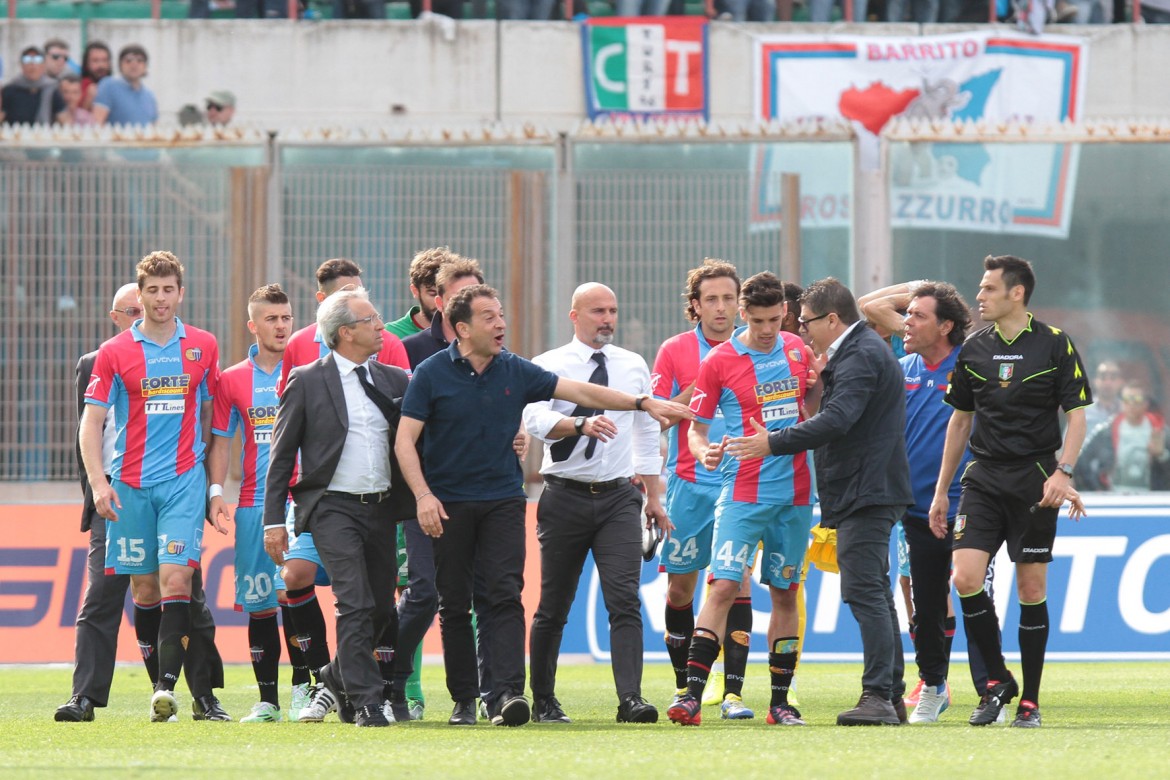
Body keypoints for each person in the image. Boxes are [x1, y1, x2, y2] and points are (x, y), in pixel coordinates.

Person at [394, 284, 691, 727]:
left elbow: (583, 392)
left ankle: (508, 695)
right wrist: (423, 496)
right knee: (455, 604)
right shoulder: (432, 373)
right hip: (451, 503)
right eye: (490, 317)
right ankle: (464, 700)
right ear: (462, 328)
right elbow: (405, 441)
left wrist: (641, 402)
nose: (501, 324)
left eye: (501, 315)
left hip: (504, 501)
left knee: (505, 596)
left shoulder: (514, 368)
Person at [726, 277, 913, 726]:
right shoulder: (860, 351)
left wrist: (772, 442)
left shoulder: (860, 354)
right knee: (874, 593)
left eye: (806, 321)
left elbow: (837, 420)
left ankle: (878, 698)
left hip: (866, 489)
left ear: (833, 319)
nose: (802, 329)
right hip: (868, 486)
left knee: (865, 591)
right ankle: (891, 694)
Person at [929, 254, 1090, 729]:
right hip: (983, 478)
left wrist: (1064, 473)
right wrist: (942, 491)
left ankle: (1030, 702)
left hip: (1036, 483)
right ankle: (998, 679)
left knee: (1031, 587)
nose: (979, 296)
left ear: (1016, 293)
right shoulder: (974, 350)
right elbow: (960, 420)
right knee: (964, 577)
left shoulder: (1055, 345)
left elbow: (1077, 416)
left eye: (988, 289)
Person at [55, 283, 224, 723]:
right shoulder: (98, 361)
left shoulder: (195, 350)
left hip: (175, 489)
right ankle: (85, 697)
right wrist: (95, 490)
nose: (145, 311)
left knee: (188, 594)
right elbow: (86, 431)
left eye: (151, 301)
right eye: (133, 307)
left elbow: (207, 416)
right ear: (117, 316)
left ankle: (205, 698)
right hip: (115, 494)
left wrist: (204, 486)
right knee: (103, 600)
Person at [666, 272, 816, 728]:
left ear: (785, 314)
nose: (768, 329)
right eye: (758, 320)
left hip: (795, 493)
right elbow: (695, 427)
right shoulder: (719, 360)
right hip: (742, 493)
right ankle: (691, 697)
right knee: (724, 586)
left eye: (775, 319)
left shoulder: (797, 348)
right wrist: (702, 451)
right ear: (742, 315)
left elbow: (815, 410)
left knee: (786, 593)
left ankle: (780, 703)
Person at [264, 288, 411, 728]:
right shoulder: (307, 379)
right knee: (354, 600)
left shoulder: (394, 379)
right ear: (346, 332)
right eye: (372, 320)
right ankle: (367, 703)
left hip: (383, 507)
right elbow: (281, 454)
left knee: (383, 609)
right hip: (331, 508)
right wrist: (274, 521)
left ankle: (332, 675)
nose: (382, 326)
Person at [523, 283, 665, 725]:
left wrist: (653, 495)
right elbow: (534, 420)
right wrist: (579, 424)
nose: (607, 318)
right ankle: (543, 699)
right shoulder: (549, 365)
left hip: (620, 497)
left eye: (613, 310)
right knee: (554, 604)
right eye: (598, 311)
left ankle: (631, 700)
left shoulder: (633, 365)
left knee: (624, 598)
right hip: (564, 494)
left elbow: (646, 431)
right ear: (575, 316)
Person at [651, 259, 757, 720]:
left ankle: (733, 692)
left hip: (742, 484)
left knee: (735, 584)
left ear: (740, 303)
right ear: (694, 305)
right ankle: (685, 686)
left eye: (729, 298)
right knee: (680, 592)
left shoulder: (757, 348)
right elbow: (657, 413)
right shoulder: (675, 350)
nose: (721, 307)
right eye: (710, 299)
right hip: (689, 486)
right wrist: (700, 387)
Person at [392, 254, 491, 721]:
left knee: (475, 596)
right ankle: (389, 677)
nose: (468, 303)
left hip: (481, 494)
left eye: (475, 294)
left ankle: (479, 693)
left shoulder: (495, 351)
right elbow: (398, 426)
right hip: (423, 492)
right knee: (424, 592)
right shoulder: (409, 351)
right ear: (437, 300)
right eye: (457, 295)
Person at [206, 284, 298, 723]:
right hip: (254, 505)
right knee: (262, 604)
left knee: (296, 595)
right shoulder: (233, 379)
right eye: (271, 319)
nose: (280, 326)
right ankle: (268, 701)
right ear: (253, 325)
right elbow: (222, 441)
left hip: (305, 502)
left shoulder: (311, 369)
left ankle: (306, 691)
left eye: (286, 318)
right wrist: (216, 491)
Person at [889, 281, 974, 723]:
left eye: (918, 315)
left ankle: (989, 690)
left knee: (974, 592)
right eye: (907, 314)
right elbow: (871, 308)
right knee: (924, 606)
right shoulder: (901, 367)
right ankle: (934, 687)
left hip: (971, 506)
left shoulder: (971, 366)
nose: (907, 321)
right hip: (917, 510)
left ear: (945, 326)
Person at [1076, 381, 1170, 492]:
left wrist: (1162, 455)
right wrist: (1095, 489)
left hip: (1152, 497)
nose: (1131, 404)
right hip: (1114, 497)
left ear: (1146, 404)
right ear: (1121, 402)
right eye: (1127, 399)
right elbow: (1081, 461)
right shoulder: (1106, 432)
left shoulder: (1161, 432)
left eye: (1137, 399)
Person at [385, 246, 453, 340]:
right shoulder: (391, 333)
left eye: (446, 295)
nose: (439, 302)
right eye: (433, 294)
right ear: (415, 291)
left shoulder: (465, 332)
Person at [92, 44, 158, 126]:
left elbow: (154, 127)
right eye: (128, 60)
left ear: (145, 66)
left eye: (139, 60)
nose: (134, 64)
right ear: (120, 64)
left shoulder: (149, 96)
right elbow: (97, 123)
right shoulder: (108, 86)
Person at [1, 46, 65, 125]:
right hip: (15, 135)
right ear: (21, 65)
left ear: (43, 65)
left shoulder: (52, 89)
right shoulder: (9, 89)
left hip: (42, 135)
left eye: (37, 60)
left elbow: (64, 118)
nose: (32, 64)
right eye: (27, 60)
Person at [1084, 360, 1125, 435]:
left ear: (1120, 382)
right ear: (1095, 381)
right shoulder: (1082, 411)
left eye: (1113, 378)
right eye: (1103, 378)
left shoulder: (1127, 411)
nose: (1107, 383)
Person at [79, 41, 112, 112]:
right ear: (86, 63)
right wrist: (88, 101)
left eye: (104, 60)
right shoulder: (78, 87)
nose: (101, 65)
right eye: (95, 61)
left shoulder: (115, 86)